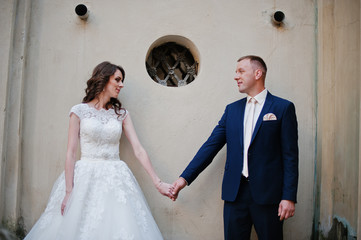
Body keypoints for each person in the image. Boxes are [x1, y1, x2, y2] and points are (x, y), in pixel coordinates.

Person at [24, 61, 174, 240]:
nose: (121, 84)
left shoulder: (122, 114)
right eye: (117, 80)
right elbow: (71, 153)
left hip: (116, 178)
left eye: (122, 80)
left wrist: (158, 183)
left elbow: (139, 149)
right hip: (85, 176)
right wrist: (69, 192)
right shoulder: (78, 111)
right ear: (104, 79)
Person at [171, 55, 298, 239]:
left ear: (257, 73)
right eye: (236, 72)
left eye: (241, 71)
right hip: (235, 194)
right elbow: (210, 146)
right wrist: (184, 179)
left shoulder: (283, 108)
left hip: (269, 196)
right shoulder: (232, 110)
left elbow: (290, 156)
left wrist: (289, 197)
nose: (235, 76)